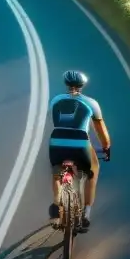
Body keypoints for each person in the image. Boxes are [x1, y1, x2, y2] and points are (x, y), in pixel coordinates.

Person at [48, 69, 111, 231]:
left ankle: (56, 205)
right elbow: (100, 130)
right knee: (92, 172)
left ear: (66, 84)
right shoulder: (92, 103)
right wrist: (106, 147)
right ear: (82, 85)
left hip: (56, 142)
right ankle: (86, 213)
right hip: (81, 144)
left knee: (56, 174)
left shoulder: (55, 100)